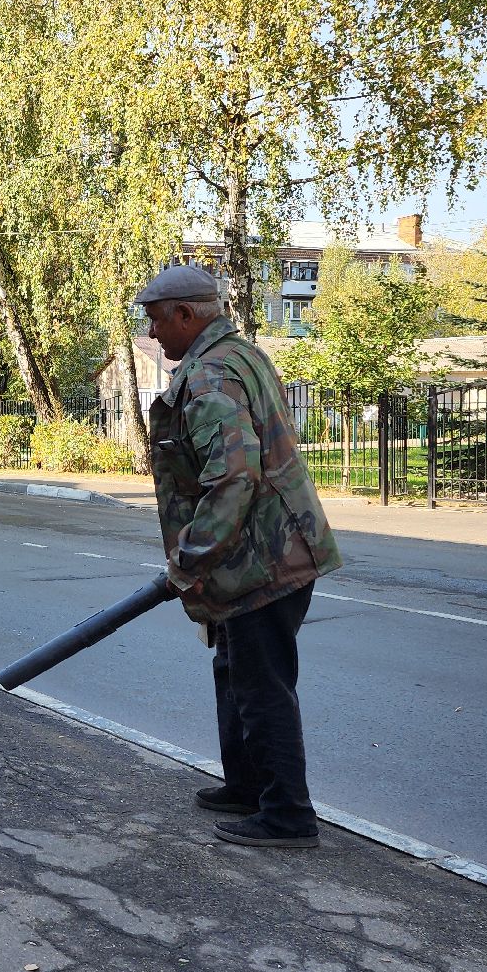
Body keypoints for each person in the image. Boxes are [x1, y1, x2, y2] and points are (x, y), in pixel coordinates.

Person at [137, 264, 342, 849]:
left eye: (156, 320)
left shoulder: (210, 375)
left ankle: (287, 815)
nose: (152, 333)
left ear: (185, 315)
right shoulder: (241, 354)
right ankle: (248, 786)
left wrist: (190, 559)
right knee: (236, 672)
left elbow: (232, 477)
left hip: (262, 559)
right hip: (263, 551)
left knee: (261, 686)